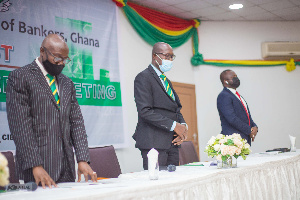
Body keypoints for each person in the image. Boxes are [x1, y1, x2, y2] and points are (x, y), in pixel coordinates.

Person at [6, 34, 97, 188]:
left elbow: (76, 122)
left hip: (67, 166)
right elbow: (21, 125)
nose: (61, 63)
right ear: (43, 51)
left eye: (65, 59)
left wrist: (82, 159)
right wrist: (35, 165)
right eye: (57, 58)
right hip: (39, 167)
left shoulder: (67, 83)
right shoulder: (20, 77)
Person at [133, 42, 188, 170]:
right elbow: (145, 111)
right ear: (154, 56)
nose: (169, 60)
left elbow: (176, 109)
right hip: (154, 142)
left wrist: (183, 127)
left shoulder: (166, 81)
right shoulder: (143, 77)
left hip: (172, 142)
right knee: (158, 185)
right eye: (166, 56)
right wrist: (174, 126)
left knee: (175, 183)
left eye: (171, 57)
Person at [217, 69, 258, 145]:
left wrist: (254, 127)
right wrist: (249, 130)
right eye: (233, 77)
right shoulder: (224, 96)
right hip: (233, 141)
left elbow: (247, 116)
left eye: (236, 76)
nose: (236, 78)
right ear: (225, 81)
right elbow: (232, 118)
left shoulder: (237, 96)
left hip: (244, 139)